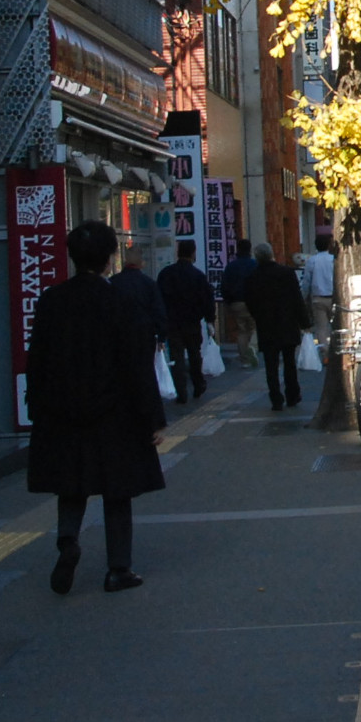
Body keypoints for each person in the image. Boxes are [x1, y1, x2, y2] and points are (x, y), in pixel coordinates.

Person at [25, 221, 165, 595]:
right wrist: (152, 417)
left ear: (72, 257)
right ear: (109, 259)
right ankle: (118, 569)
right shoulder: (121, 303)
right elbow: (138, 365)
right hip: (115, 413)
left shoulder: (51, 301)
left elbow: (36, 360)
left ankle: (68, 540)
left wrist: (36, 406)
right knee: (116, 490)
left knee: (71, 485)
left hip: (62, 412)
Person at [246, 241, 311, 411]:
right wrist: (305, 322)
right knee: (289, 362)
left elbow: (250, 302)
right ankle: (292, 395)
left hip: (266, 326)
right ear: (271, 254)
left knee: (270, 364)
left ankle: (275, 398)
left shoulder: (253, 277)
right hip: (287, 323)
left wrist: (257, 317)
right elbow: (297, 299)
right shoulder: (287, 273)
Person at [158, 240, 217, 401]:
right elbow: (207, 300)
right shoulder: (198, 275)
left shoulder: (166, 274)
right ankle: (198, 384)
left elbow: (160, 299)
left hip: (173, 322)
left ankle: (181, 391)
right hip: (192, 321)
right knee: (194, 353)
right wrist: (210, 319)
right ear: (193, 253)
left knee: (177, 356)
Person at [223, 238, 259, 367]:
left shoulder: (231, 266)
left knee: (242, 330)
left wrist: (228, 302)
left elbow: (225, 286)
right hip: (254, 302)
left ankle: (244, 359)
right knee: (254, 328)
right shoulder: (255, 264)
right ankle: (252, 349)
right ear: (250, 249)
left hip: (236, 302)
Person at [304, 232, 337, 328]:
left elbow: (307, 281)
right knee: (336, 326)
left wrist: (304, 296)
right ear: (328, 245)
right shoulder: (333, 259)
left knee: (321, 327)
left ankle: (323, 343)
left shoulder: (312, 260)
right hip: (334, 297)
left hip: (318, 298)